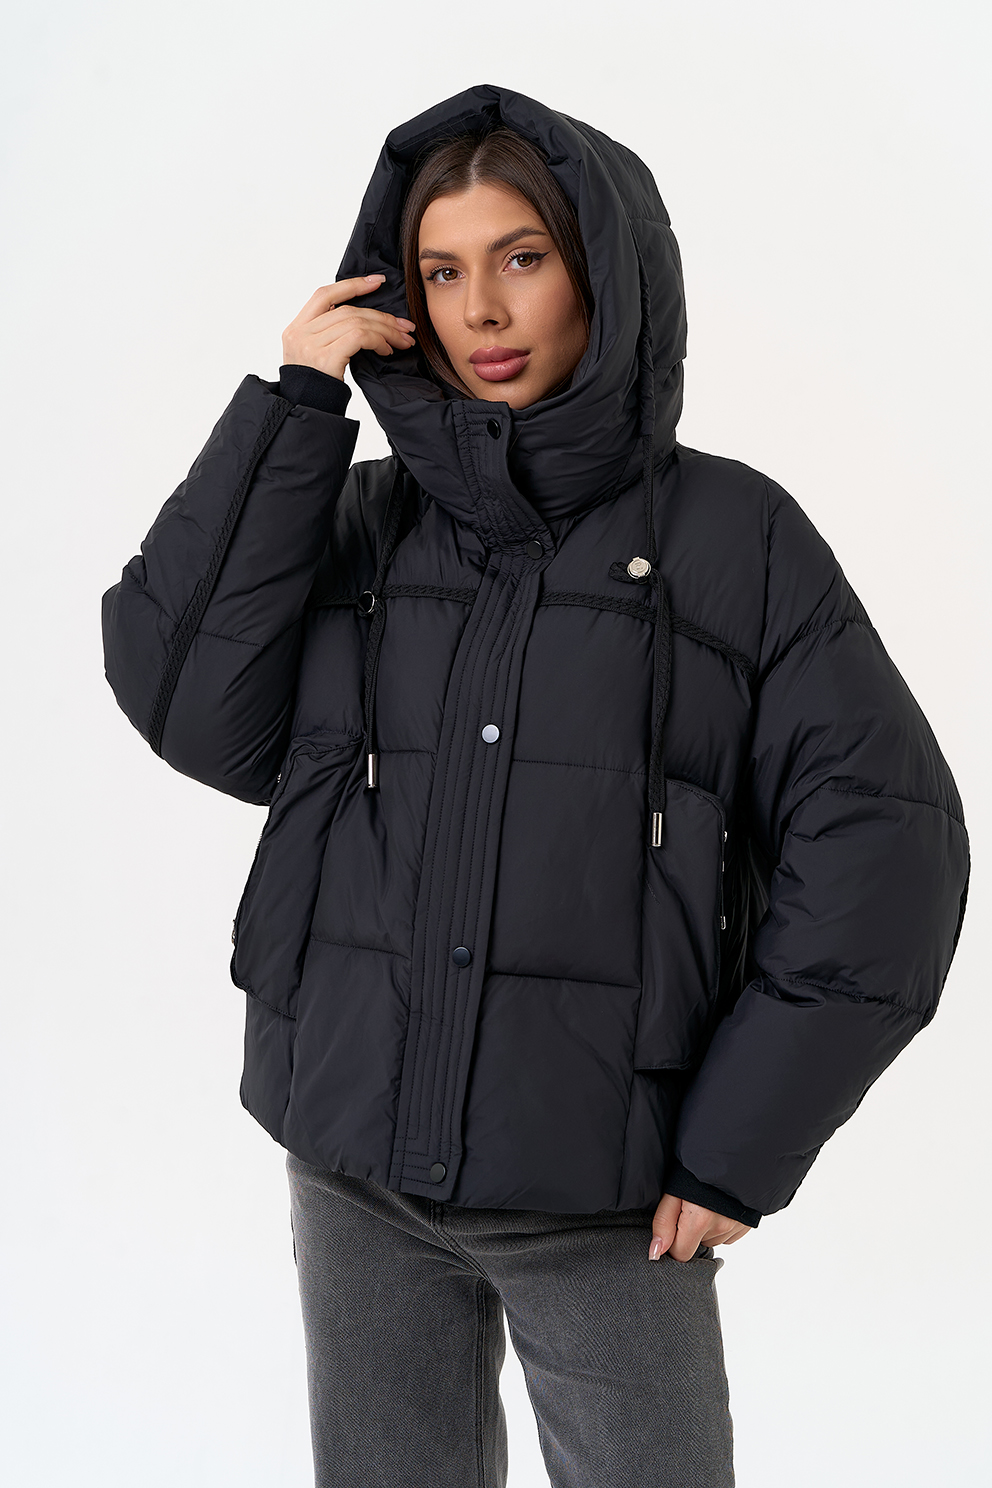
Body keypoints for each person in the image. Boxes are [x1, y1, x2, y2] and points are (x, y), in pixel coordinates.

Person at [102, 84, 969, 1488]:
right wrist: (295, 407)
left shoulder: (735, 538)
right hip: (353, 1160)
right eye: (441, 271)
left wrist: (741, 1144)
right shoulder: (358, 521)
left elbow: (888, 851)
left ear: (601, 275)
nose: (482, 310)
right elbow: (189, 704)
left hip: (608, 1188)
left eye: (522, 257)